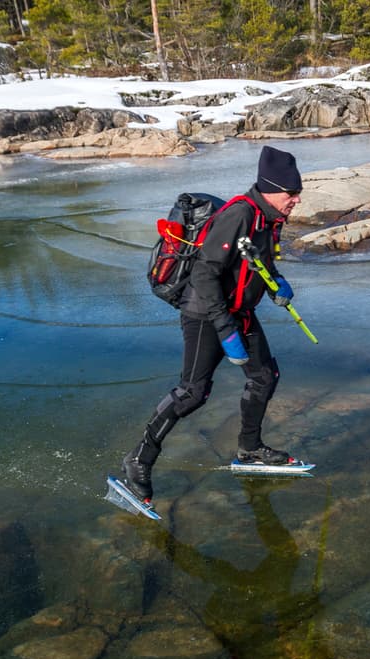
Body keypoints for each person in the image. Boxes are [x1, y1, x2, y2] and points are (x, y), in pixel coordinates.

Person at [121, 145, 304, 504]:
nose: (296, 200)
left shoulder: (271, 219)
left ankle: (249, 449)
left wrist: (275, 284)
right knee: (192, 393)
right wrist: (225, 330)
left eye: (297, 193)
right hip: (205, 313)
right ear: (270, 188)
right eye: (291, 194)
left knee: (265, 376)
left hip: (239, 312)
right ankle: (138, 460)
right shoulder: (239, 215)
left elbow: (257, 262)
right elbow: (205, 275)